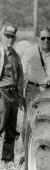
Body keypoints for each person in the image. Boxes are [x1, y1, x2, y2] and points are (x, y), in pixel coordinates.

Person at [22, 26, 50, 106]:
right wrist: (40, 81)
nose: (46, 41)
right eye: (43, 38)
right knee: (31, 118)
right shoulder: (29, 52)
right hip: (33, 91)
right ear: (37, 38)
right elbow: (22, 74)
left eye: (49, 38)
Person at [0, 24, 24, 162]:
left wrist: (20, 95)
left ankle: (7, 159)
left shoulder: (15, 55)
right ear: (2, 36)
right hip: (1, 92)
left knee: (11, 129)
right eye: (7, 36)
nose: (10, 40)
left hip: (13, 94)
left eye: (12, 37)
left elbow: (20, 77)